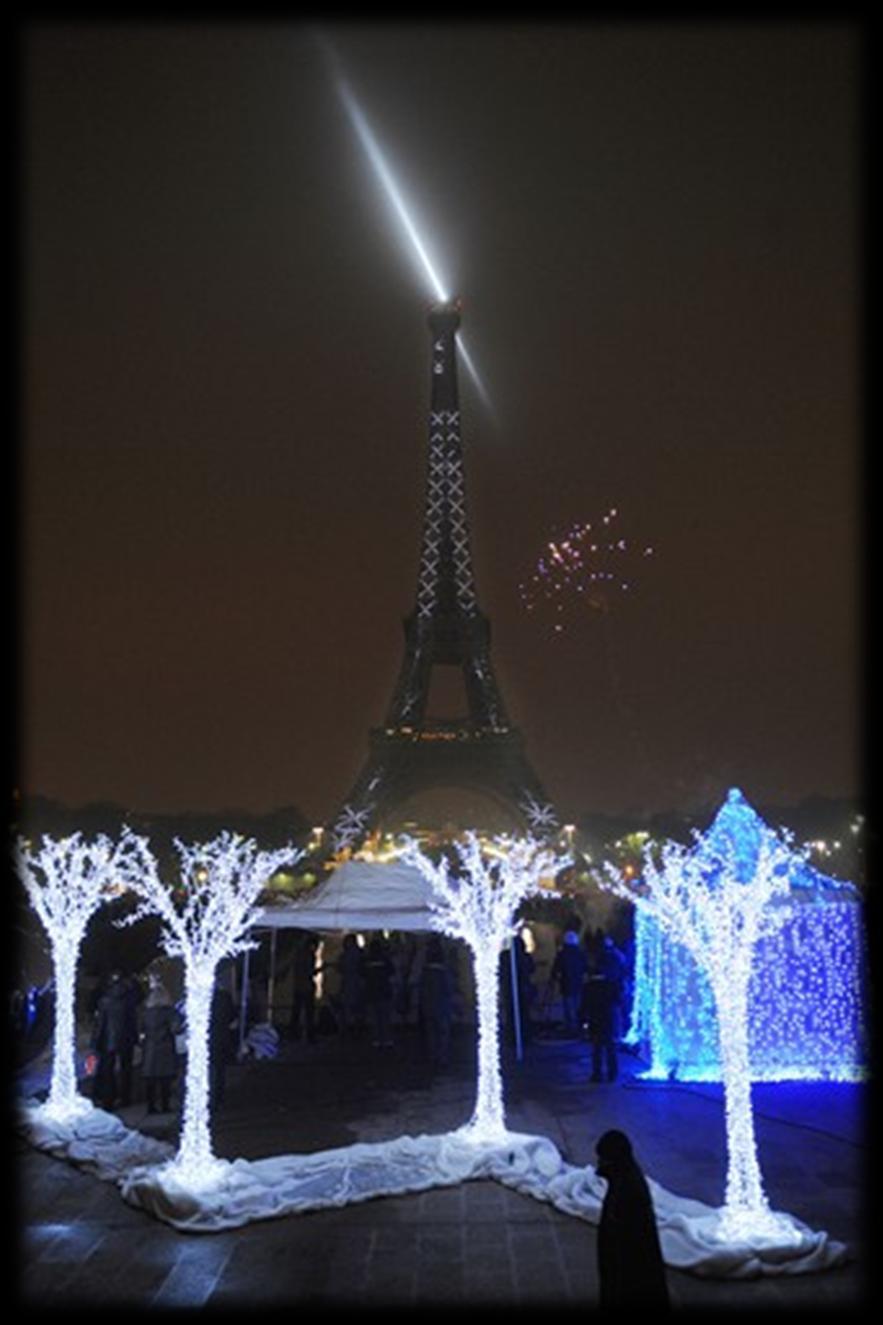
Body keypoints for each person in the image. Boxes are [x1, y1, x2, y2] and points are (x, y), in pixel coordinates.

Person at [595, 1129, 670, 1309]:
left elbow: (626, 1243)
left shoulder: (627, 1191)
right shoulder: (626, 1179)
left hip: (628, 1275)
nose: (599, 1163)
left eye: (603, 1159)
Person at [91, 970, 139, 1110]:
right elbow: (132, 1021)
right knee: (126, 1070)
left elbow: (101, 1024)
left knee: (108, 1070)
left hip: (108, 1039)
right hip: (126, 1040)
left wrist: (96, 1041)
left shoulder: (105, 1001)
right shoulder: (129, 1001)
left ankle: (108, 1099)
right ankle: (125, 1097)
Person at [140, 973, 181, 1114]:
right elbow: (175, 1028)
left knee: (150, 1079)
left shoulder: (146, 1012)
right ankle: (165, 1105)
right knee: (165, 1080)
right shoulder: (169, 1012)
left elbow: (141, 1028)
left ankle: (151, 1106)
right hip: (165, 1047)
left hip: (150, 1047)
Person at [419, 936, 454, 1068]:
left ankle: (433, 1056)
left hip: (429, 1005)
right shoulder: (444, 972)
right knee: (443, 1032)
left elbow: (422, 989)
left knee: (431, 1032)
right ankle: (442, 1057)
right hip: (442, 1005)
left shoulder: (426, 972)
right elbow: (449, 989)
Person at [209, 971, 237, 1110]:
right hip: (221, 1036)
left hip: (207, 1036)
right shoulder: (224, 997)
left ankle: (209, 1097)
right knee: (219, 1070)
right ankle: (217, 1098)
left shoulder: (202, 997)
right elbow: (232, 1017)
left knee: (208, 1068)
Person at [550, 929, 588, 1035]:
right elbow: (586, 968)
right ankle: (577, 1026)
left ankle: (571, 1027)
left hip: (566, 984)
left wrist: (554, 977)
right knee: (577, 1005)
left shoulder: (562, 954)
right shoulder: (580, 953)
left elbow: (556, 968)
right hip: (579, 984)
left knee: (569, 1006)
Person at [364, 936, 395, 1047]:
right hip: (384, 991)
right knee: (385, 1018)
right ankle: (386, 1038)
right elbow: (392, 972)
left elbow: (362, 973)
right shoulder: (385, 960)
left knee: (374, 1019)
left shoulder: (367, 960)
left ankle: (376, 1039)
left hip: (371, 992)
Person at [289, 933, 319, 1044]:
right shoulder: (310, 955)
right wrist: (321, 969)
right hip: (307, 986)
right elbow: (310, 972)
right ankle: (310, 1036)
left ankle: (293, 1034)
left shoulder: (298, 954)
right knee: (309, 1013)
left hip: (298, 986)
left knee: (296, 1012)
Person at [338, 934, 366, 1038]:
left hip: (352, 983)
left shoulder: (345, 955)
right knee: (357, 1008)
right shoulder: (361, 953)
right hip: (356, 983)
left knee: (349, 1008)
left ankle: (349, 1030)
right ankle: (356, 1029)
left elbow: (341, 968)